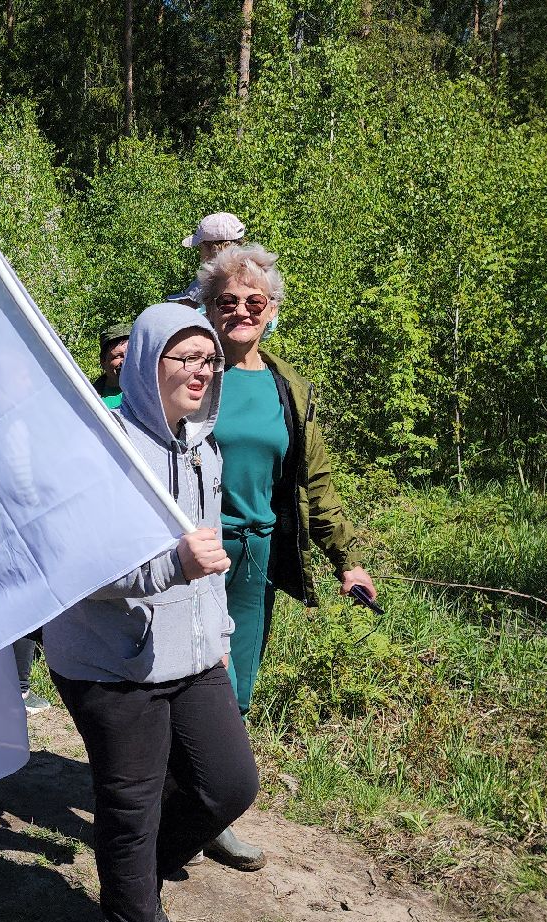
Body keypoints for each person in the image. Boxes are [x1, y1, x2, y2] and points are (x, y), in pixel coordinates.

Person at [42, 301, 255, 922]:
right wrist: (169, 568)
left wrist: (219, 637)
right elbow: (73, 564)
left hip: (192, 652)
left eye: (208, 361)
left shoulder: (203, 445)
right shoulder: (100, 446)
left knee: (228, 785)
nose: (199, 372)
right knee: (128, 804)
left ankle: (143, 877)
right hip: (109, 662)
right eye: (183, 358)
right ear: (145, 362)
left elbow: (212, 561)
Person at [198, 244, 374, 873]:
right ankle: (159, 805)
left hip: (257, 554)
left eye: (253, 301)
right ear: (208, 308)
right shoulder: (191, 373)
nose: (240, 310)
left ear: (271, 309)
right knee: (184, 681)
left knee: (236, 689)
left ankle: (212, 815)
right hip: (191, 556)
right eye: (226, 301)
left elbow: (315, 482)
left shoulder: (287, 387)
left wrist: (346, 558)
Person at [167, 213, 247, 307]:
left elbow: (189, 309)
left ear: (214, 250)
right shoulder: (256, 274)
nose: (199, 253)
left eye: (201, 248)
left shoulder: (207, 283)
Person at [95, 323, 131, 409]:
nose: (125, 361)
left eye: (130, 355)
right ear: (103, 361)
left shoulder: (151, 394)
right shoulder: (89, 396)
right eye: (118, 356)